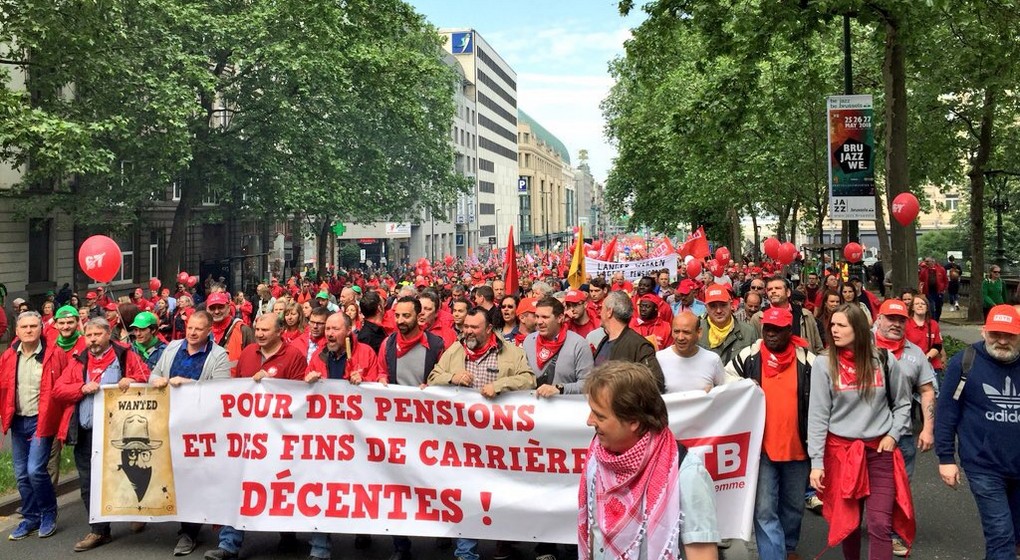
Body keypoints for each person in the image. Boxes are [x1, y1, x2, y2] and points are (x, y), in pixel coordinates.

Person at [579, 360, 720, 560]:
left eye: (600, 416)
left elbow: (702, 555)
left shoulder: (686, 474)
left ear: (633, 422)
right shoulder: (597, 457)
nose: (589, 421)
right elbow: (596, 533)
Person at [807, 303, 914, 559]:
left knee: (879, 524)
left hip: (879, 453)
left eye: (841, 325)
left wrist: (893, 435)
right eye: (832, 324)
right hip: (841, 454)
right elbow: (818, 415)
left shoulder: (884, 360)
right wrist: (816, 462)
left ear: (859, 328)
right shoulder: (823, 364)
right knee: (849, 525)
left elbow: (903, 403)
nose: (834, 330)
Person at [205, 313, 307, 560]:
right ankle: (229, 544)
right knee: (241, 485)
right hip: (249, 436)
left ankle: (288, 533)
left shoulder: (294, 356)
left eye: (265, 330)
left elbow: (301, 396)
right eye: (257, 329)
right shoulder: (249, 352)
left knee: (283, 486)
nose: (259, 334)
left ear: (280, 331)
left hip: (281, 435)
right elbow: (237, 390)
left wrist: (271, 383)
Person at [53, 317, 150, 552]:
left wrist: (132, 380)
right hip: (87, 433)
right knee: (88, 483)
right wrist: (81, 388)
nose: (93, 339)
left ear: (109, 334)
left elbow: (147, 379)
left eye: (97, 334)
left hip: (120, 434)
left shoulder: (125, 354)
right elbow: (58, 390)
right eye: (89, 335)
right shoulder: (79, 359)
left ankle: (138, 511)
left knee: (126, 476)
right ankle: (99, 531)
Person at [727, 307, 815, 560]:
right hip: (761, 450)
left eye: (778, 330)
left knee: (793, 507)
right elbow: (725, 377)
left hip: (798, 449)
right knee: (764, 510)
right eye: (768, 329)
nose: (771, 335)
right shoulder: (750, 355)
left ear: (790, 331)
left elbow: (822, 399)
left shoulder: (808, 360)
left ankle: (787, 547)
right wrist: (743, 385)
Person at [936, 304, 1020, 560]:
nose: (1002, 341)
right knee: (1000, 536)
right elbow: (947, 412)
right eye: (996, 334)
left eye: (1010, 335)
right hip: (984, 466)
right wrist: (946, 458)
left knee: (1016, 537)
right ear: (984, 332)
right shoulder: (965, 363)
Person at [148, 310, 231, 555]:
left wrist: (191, 385)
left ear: (209, 332)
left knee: (197, 477)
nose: (192, 333)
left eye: (198, 329)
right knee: (178, 476)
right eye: (190, 328)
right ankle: (187, 525)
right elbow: (155, 374)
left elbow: (222, 392)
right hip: (171, 421)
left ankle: (191, 530)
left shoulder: (219, 356)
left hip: (201, 426)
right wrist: (157, 381)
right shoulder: (172, 348)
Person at [872, 298, 937, 556]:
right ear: (879, 318)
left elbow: (927, 391)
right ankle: (865, 526)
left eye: (901, 320)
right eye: (891, 318)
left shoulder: (915, 353)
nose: (896, 324)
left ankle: (893, 533)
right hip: (864, 434)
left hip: (903, 435)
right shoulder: (861, 345)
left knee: (899, 486)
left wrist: (928, 429)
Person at [0, 312, 70, 541]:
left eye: (33, 326)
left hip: (43, 420)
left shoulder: (54, 354)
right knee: (21, 474)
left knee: (35, 470)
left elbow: (64, 384)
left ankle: (48, 513)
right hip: (18, 420)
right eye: (24, 327)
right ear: (17, 331)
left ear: (41, 329)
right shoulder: (9, 356)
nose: (29, 330)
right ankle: (30, 517)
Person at [592, 291, 664, 391]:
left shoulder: (639, 345)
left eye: (602, 308)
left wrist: (622, 387)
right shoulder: (604, 341)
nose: (599, 313)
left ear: (609, 312)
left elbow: (656, 382)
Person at [522, 297, 593, 399]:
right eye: (537, 316)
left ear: (560, 318)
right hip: (533, 410)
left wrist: (560, 389)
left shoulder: (578, 344)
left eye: (545, 317)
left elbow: (588, 384)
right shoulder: (529, 341)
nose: (539, 322)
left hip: (564, 411)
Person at [657, 311, 727, 393]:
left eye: (686, 332)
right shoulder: (659, 358)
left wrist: (712, 394)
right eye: (676, 331)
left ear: (699, 333)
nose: (680, 337)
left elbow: (724, 392)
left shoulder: (713, 360)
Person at [753, 277, 825, 354]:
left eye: (777, 288)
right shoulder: (758, 318)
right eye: (770, 289)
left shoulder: (805, 315)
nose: (773, 291)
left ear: (788, 292)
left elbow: (818, 347)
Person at [699, 284, 756, 367]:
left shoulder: (748, 332)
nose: (718, 310)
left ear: (731, 304)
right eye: (713, 306)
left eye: (723, 305)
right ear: (706, 307)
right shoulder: (696, 330)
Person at [207, 292, 254, 376]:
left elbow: (252, 362)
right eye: (212, 308)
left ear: (228, 308)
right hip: (208, 386)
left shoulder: (244, 330)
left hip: (234, 385)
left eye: (221, 307)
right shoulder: (202, 331)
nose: (216, 311)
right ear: (207, 310)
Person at [904, 295, 944, 377]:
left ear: (927, 308)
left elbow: (938, 345)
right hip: (910, 365)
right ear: (912, 307)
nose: (920, 305)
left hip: (931, 365)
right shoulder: (905, 324)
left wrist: (927, 358)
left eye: (923, 303)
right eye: (917, 304)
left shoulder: (933, 324)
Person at [918, 257, 948, 322]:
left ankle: (936, 320)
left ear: (932, 262)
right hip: (929, 291)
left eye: (927, 261)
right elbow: (921, 279)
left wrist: (944, 289)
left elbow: (945, 280)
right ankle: (932, 320)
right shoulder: (924, 270)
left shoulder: (941, 269)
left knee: (938, 306)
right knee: (931, 306)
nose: (926, 263)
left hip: (938, 291)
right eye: (925, 261)